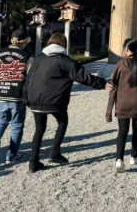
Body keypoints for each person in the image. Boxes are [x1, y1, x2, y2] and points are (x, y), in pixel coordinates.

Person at [24, 32, 106, 172]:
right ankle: (55, 152)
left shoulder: (37, 59)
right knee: (62, 121)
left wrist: (26, 98)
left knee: (39, 129)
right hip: (55, 101)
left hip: (35, 100)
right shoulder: (64, 60)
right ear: (64, 45)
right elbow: (82, 76)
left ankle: (33, 161)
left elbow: (28, 79)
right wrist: (102, 83)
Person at [106, 39, 137, 173]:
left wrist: (108, 111)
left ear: (126, 49)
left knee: (122, 132)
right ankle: (134, 156)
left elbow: (113, 88)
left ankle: (119, 159)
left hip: (122, 103)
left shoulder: (120, 65)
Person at [0, 30, 32, 166]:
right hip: (17, 95)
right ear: (24, 42)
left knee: (1, 121)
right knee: (17, 125)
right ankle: (12, 154)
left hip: (0, 93)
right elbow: (30, 78)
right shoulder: (26, 57)